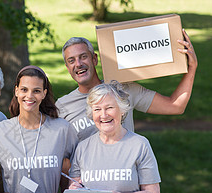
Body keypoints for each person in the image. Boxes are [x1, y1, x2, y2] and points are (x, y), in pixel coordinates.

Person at [57, 31, 198, 142]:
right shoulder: (62, 107)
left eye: (83, 57)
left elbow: (175, 106)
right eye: (71, 60)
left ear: (94, 59)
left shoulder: (123, 89)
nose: (78, 64)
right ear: (67, 67)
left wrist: (192, 67)